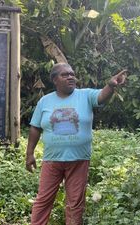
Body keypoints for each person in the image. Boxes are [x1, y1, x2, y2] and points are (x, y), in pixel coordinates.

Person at [26, 63, 127, 225]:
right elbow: (35, 128)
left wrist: (110, 85)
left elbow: (101, 96)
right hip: (52, 160)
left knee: (75, 204)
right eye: (64, 75)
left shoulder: (85, 95)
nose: (70, 77)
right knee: (43, 200)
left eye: (72, 74)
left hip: (79, 160)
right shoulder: (45, 101)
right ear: (54, 80)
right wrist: (29, 154)